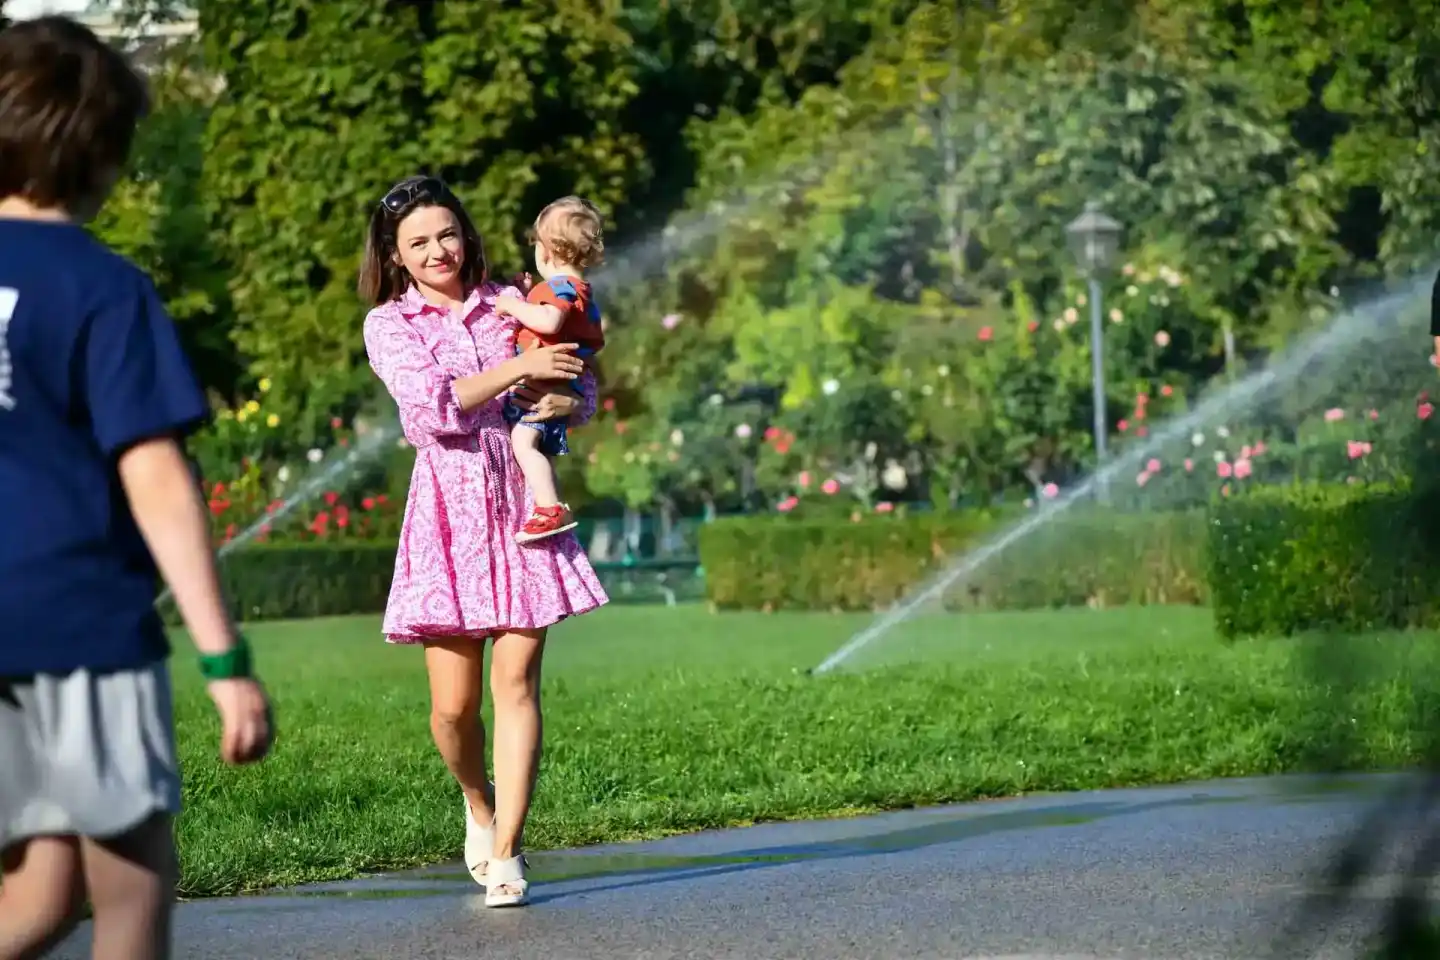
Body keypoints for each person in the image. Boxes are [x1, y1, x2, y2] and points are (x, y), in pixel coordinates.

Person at [0, 16, 274, 960]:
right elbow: (154, 476)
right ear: (103, 153)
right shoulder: (103, 289)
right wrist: (224, 660)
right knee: (129, 900)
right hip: (82, 630)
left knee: (37, 901)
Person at [358, 175, 610, 908]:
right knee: (452, 709)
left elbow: (579, 382)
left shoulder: (514, 299)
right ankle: (478, 801)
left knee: (516, 685)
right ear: (397, 256)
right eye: (418, 243)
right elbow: (433, 407)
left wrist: (566, 395)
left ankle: (507, 853)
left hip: (525, 505)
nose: (438, 250)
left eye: (447, 233)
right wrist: (520, 368)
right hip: (446, 510)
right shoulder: (390, 325)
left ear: (465, 234)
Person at [494, 196, 607, 543]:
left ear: (549, 251)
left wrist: (512, 303)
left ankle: (549, 509)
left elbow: (550, 318)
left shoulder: (558, 287)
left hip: (546, 386)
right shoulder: (579, 290)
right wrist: (531, 295)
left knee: (523, 443)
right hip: (561, 387)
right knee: (535, 446)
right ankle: (550, 504)